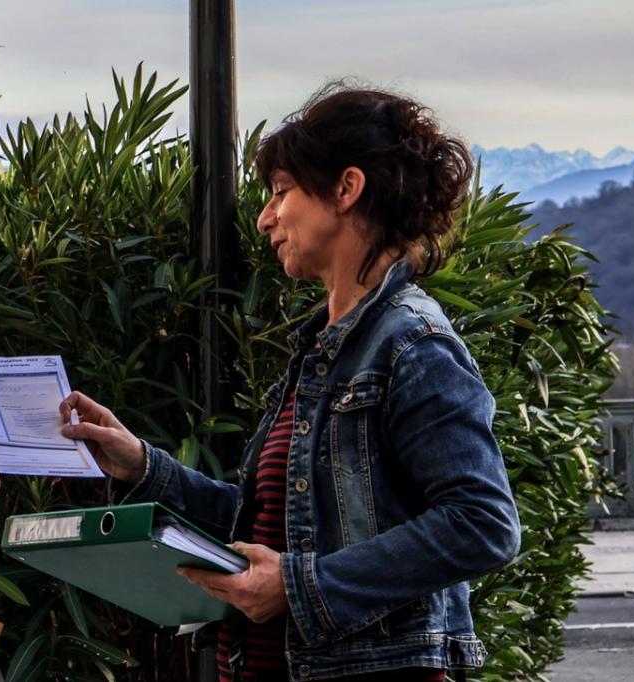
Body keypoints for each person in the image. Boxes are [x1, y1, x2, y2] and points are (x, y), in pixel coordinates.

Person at [60, 85, 521, 681]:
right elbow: (271, 530)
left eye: (281, 192)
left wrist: (302, 585)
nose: (265, 217)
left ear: (346, 189)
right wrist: (145, 468)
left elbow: (484, 523)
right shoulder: (325, 349)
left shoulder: (412, 344)